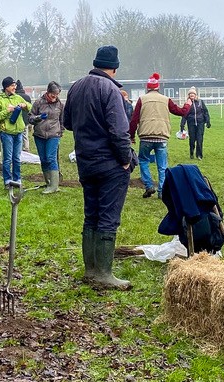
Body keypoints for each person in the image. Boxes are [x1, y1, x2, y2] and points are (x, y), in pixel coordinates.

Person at [63, 45, 135, 290]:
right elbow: (119, 131)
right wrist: (125, 159)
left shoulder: (76, 87)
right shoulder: (110, 89)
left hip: (86, 162)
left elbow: (67, 122)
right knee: (108, 217)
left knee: (91, 215)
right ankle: (104, 274)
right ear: (115, 67)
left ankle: (90, 270)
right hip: (110, 164)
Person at [129, 72, 190, 198]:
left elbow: (134, 119)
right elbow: (180, 112)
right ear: (158, 87)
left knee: (143, 161)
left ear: (147, 87)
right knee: (162, 166)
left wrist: (132, 135)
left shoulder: (142, 99)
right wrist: (188, 104)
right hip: (162, 136)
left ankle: (148, 185)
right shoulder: (166, 99)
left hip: (146, 136)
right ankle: (162, 191)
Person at [0, 76, 32, 184]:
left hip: (19, 132)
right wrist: (7, 111)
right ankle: (7, 180)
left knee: (17, 158)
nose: (15, 87)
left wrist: (25, 105)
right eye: (12, 85)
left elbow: (30, 107)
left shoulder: (17, 97)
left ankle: (17, 179)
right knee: (8, 158)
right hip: (7, 133)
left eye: (15, 85)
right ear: (6, 87)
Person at [30, 81, 65, 194]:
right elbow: (30, 118)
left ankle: (54, 186)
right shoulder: (38, 103)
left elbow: (62, 121)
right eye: (52, 94)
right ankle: (48, 183)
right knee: (43, 159)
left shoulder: (60, 105)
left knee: (51, 158)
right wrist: (38, 118)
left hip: (53, 135)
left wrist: (60, 132)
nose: (54, 97)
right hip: (39, 135)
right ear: (48, 92)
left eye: (57, 94)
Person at [179, 87, 212, 160]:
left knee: (199, 139)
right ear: (189, 95)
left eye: (193, 94)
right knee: (192, 140)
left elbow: (205, 112)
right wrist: (182, 125)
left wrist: (208, 121)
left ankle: (199, 155)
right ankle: (191, 153)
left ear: (195, 95)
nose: (192, 95)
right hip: (191, 123)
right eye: (190, 94)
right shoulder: (187, 104)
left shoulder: (200, 102)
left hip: (200, 123)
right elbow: (184, 115)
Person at [16, 80, 34, 151]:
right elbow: (30, 109)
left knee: (17, 136)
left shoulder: (15, 97)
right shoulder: (27, 97)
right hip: (26, 119)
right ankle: (26, 148)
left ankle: (18, 149)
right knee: (25, 135)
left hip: (17, 119)